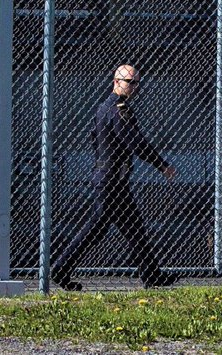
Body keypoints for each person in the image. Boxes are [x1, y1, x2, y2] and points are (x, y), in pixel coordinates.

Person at [50, 64, 179, 291]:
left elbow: (97, 139)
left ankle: (152, 276)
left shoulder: (106, 108)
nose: (134, 87)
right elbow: (135, 142)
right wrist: (161, 165)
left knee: (134, 227)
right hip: (110, 181)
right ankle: (59, 269)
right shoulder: (118, 110)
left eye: (137, 82)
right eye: (130, 82)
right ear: (116, 81)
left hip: (113, 179)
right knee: (97, 228)